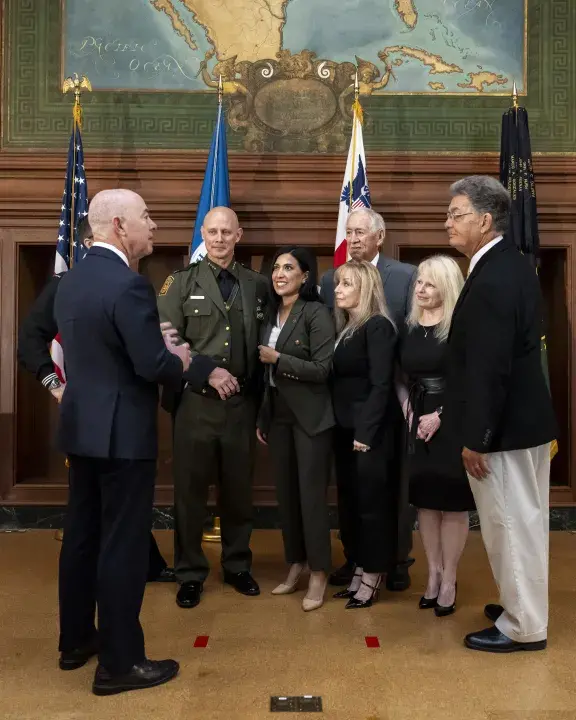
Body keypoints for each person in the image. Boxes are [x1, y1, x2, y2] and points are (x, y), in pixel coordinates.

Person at [54, 188, 202, 695]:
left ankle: (75, 641)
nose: (154, 225)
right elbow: (150, 364)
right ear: (119, 225)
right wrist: (177, 361)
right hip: (122, 436)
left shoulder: (71, 281)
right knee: (122, 546)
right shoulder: (130, 285)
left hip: (82, 429)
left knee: (82, 538)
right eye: (146, 216)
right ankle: (120, 664)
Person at [17, 216, 174, 584]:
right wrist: (54, 382)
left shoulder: (105, 284)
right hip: (106, 426)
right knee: (99, 526)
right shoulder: (71, 284)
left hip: (95, 423)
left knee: (95, 524)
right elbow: (29, 341)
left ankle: (83, 629)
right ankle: (116, 631)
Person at [444, 175, 557, 652]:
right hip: (524, 422)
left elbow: (490, 367)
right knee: (524, 525)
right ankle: (522, 604)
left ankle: (523, 626)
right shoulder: (511, 265)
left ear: (485, 221)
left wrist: (478, 438)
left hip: (503, 431)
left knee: (510, 525)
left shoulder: (492, 277)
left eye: (456, 215)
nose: (447, 222)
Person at [157, 207, 268, 610]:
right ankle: (189, 573)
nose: (220, 238)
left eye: (227, 231)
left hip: (241, 404)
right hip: (196, 404)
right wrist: (208, 373)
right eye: (213, 231)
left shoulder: (257, 284)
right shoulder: (180, 283)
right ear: (202, 233)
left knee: (238, 492)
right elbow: (167, 335)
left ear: (239, 235)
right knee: (189, 494)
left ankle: (238, 565)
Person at [320, 207, 417, 591]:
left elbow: (410, 338)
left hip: (392, 405)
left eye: (361, 231)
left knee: (388, 494)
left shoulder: (405, 277)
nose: (355, 238)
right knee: (356, 494)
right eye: (349, 231)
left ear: (380, 235)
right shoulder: (331, 281)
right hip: (350, 413)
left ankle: (393, 561)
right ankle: (359, 560)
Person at [257, 247, 334, 612]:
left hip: (311, 417)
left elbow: (323, 369)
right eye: (276, 268)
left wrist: (279, 359)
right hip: (279, 415)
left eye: (289, 268)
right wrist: (263, 417)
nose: (279, 273)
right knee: (286, 496)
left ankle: (319, 572)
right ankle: (296, 564)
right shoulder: (270, 312)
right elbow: (264, 378)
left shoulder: (316, 312)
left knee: (310, 498)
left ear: (305, 276)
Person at [396, 255, 474, 617]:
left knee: (452, 504)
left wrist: (440, 415)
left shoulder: (460, 326)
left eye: (429, 283)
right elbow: (400, 377)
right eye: (419, 283)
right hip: (416, 419)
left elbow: (471, 381)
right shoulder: (409, 325)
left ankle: (450, 580)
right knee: (426, 502)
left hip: (452, 420)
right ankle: (433, 574)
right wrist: (409, 411)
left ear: (447, 285)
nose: (421, 289)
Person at [331, 260, 399, 608]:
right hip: (345, 430)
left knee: (372, 506)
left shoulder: (378, 327)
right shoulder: (349, 327)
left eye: (346, 284)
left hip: (368, 433)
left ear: (366, 288)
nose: (338, 289)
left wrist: (366, 431)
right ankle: (359, 567)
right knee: (353, 504)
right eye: (338, 283)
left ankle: (373, 574)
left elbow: (381, 384)